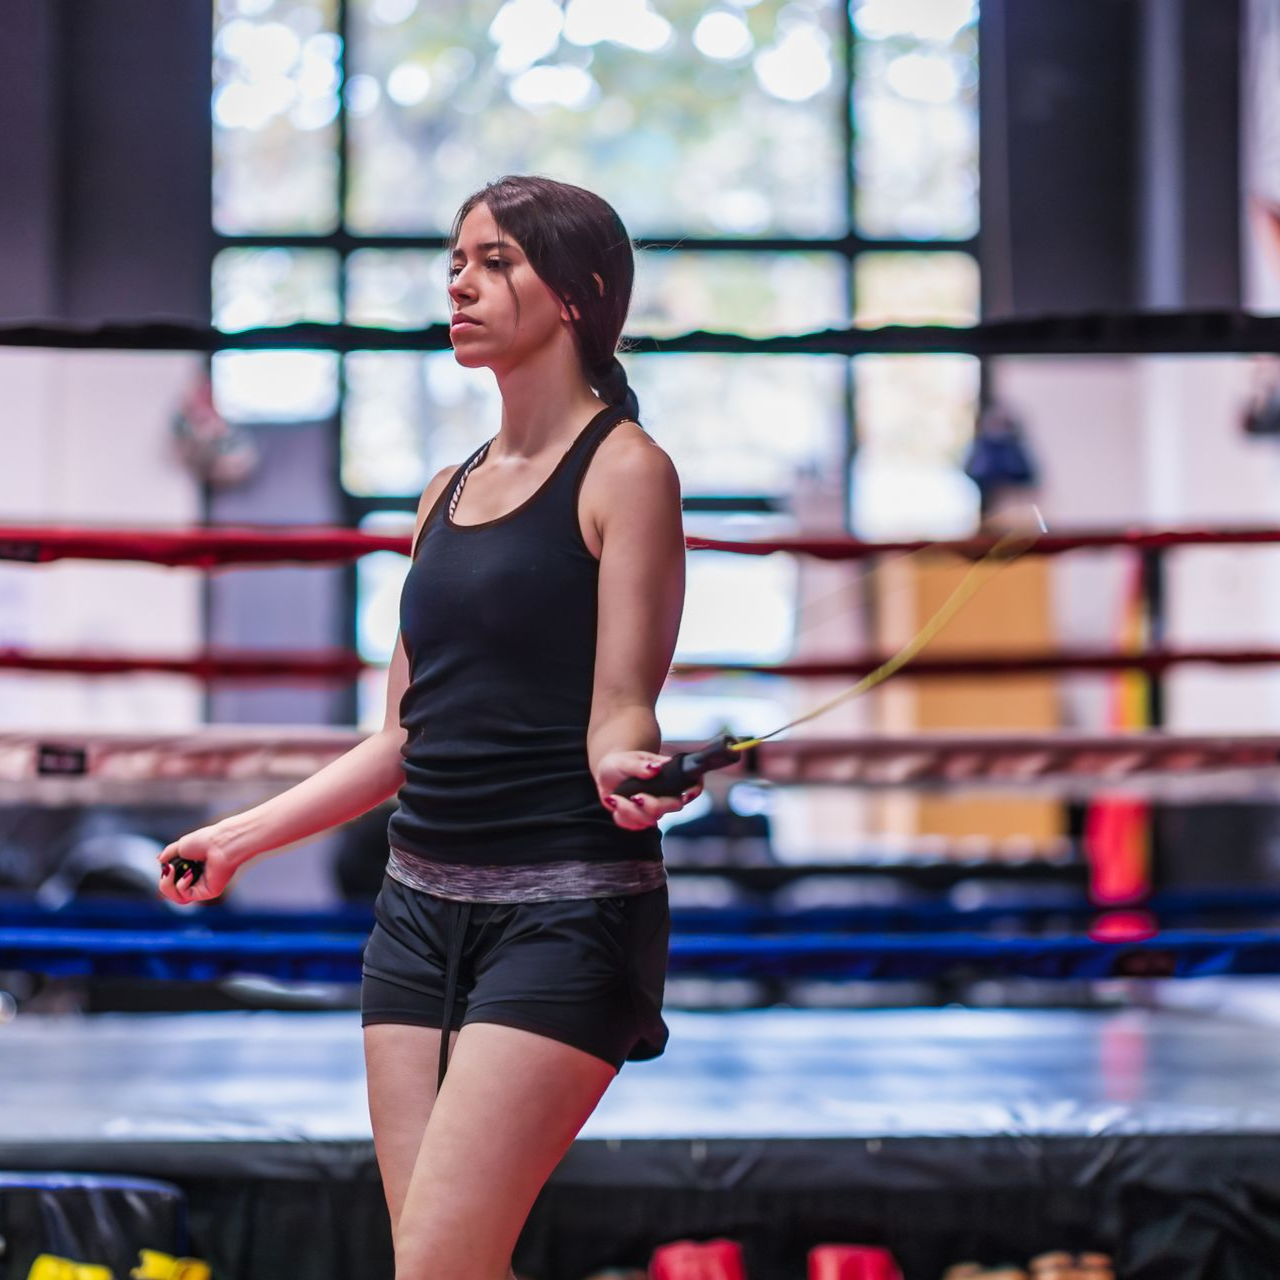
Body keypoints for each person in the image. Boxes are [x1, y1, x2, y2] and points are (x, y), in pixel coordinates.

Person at [156, 174, 700, 1280]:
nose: (460, 278)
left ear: (577, 296)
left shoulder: (626, 470)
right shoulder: (442, 493)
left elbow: (619, 706)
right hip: (413, 918)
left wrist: (628, 766)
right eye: (456, 257)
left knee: (438, 1267)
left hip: (564, 913)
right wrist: (240, 836)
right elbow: (402, 734)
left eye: (496, 260)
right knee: (447, 1267)